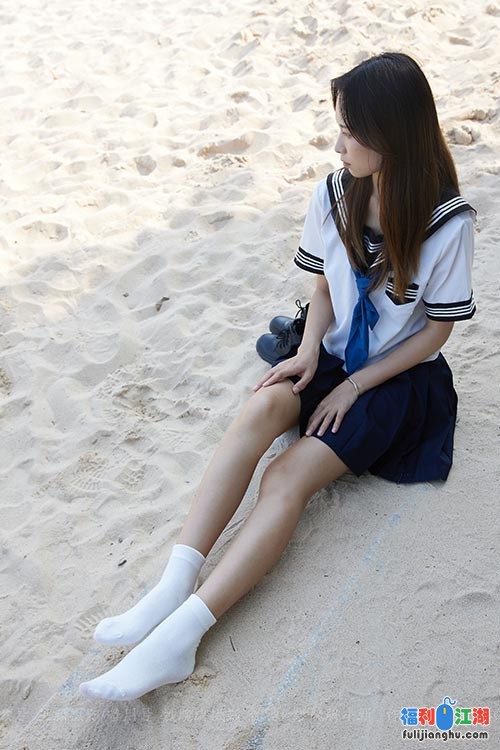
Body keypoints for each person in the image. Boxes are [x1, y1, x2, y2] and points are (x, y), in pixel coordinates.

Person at [79, 52, 476, 701]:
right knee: (261, 408)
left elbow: (436, 331)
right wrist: (311, 351)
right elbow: (323, 286)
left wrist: (355, 385)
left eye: (351, 131)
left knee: (285, 475)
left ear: (393, 137)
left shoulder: (446, 222)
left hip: (393, 381)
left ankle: (182, 638)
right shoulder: (334, 192)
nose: (338, 144)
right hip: (334, 351)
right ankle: (173, 585)